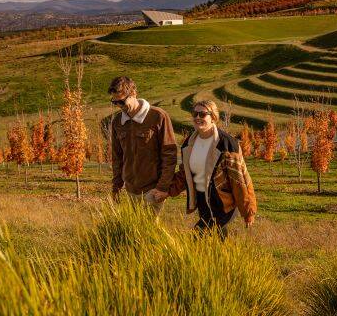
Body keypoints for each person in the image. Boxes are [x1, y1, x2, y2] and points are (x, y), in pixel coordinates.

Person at [154, 100, 256, 238]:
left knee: (198, 236)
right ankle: (226, 258)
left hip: (223, 201)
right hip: (202, 200)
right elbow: (185, 174)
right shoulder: (189, 143)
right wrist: (167, 191)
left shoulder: (227, 144)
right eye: (195, 114)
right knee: (218, 238)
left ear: (213, 117)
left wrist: (248, 212)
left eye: (202, 114)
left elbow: (239, 179)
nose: (197, 117)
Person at [108, 76, 177, 214]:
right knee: (134, 231)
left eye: (122, 101)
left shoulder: (158, 116)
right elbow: (117, 157)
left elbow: (169, 155)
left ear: (133, 93)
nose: (119, 106)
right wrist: (116, 186)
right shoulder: (117, 122)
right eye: (115, 102)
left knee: (149, 231)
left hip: (153, 190)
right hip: (130, 190)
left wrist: (162, 187)